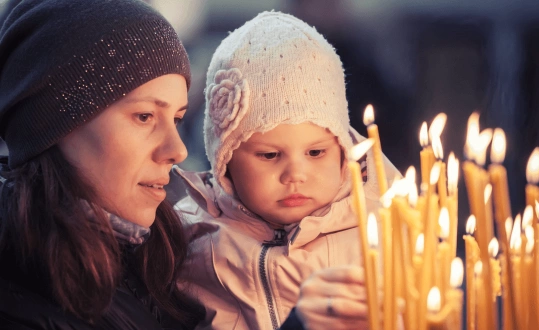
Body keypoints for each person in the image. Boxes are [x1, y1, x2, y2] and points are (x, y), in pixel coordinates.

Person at [174, 11, 400, 330]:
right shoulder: (190, 239)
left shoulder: (378, 230)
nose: (295, 173)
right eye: (269, 154)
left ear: (343, 151)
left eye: (316, 152)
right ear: (225, 163)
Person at [0, 0, 207, 328]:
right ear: (58, 126)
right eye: (144, 116)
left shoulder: (167, 259)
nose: (177, 150)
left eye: (178, 119)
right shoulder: (19, 306)